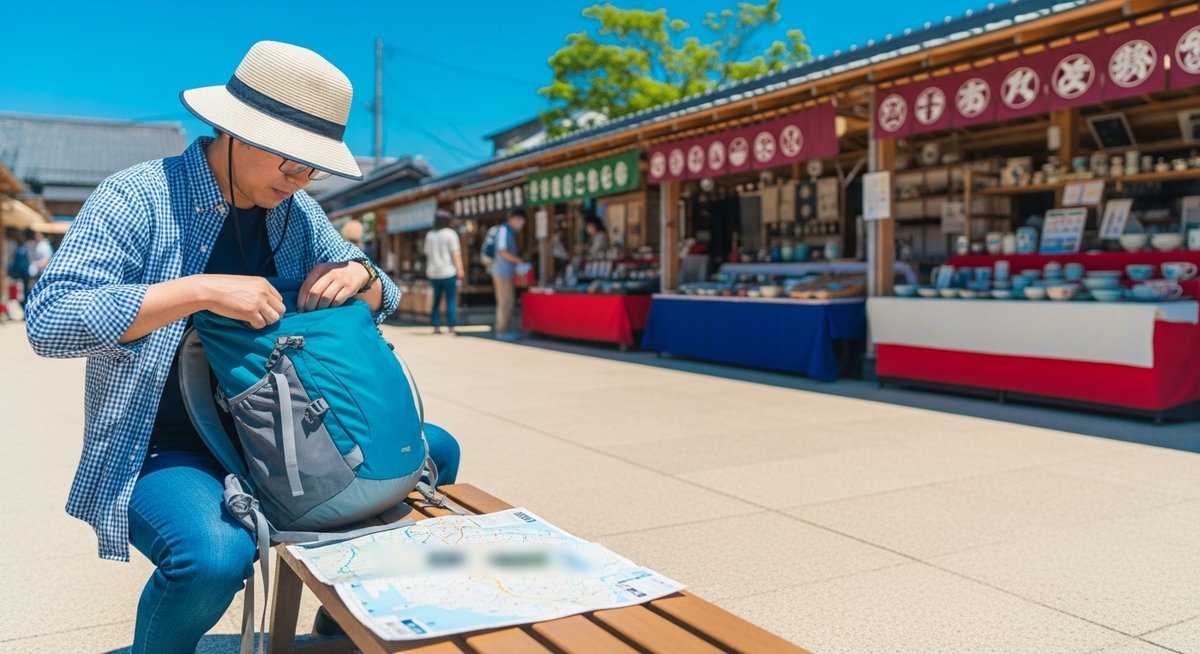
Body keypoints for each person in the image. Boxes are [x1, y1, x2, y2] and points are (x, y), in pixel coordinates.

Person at [25, 41, 461, 654]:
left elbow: (382, 291)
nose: (301, 179)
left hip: (293, 429)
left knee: (435, 450)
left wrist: (362, 279)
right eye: (290, 162)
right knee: (212, 557)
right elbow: (50, 319)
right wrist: (197, 291)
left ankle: (340, 633)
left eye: (313, 166)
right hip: (167, 443)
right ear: (233, 129)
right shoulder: (139, 197)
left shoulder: (295, 212)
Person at [423, 209, 464, 334]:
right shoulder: (450, 234)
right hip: (448, 271)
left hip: (433, 272)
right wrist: (460, 269)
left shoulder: (430, 235)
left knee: (436, 300)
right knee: (450, 300)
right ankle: (451, 327)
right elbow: (455, 253)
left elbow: (426, 252)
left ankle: (436, 326)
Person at [490, 208, 527, 341]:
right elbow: (502, 251)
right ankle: (502, 330)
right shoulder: (504, 230)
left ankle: (504, 329)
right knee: (505, 301)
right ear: (514, 219)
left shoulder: (508, 231)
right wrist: (517, 260)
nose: (522, 224)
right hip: (502, 271)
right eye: (521, 221)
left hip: (506, 271)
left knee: (508, 300)